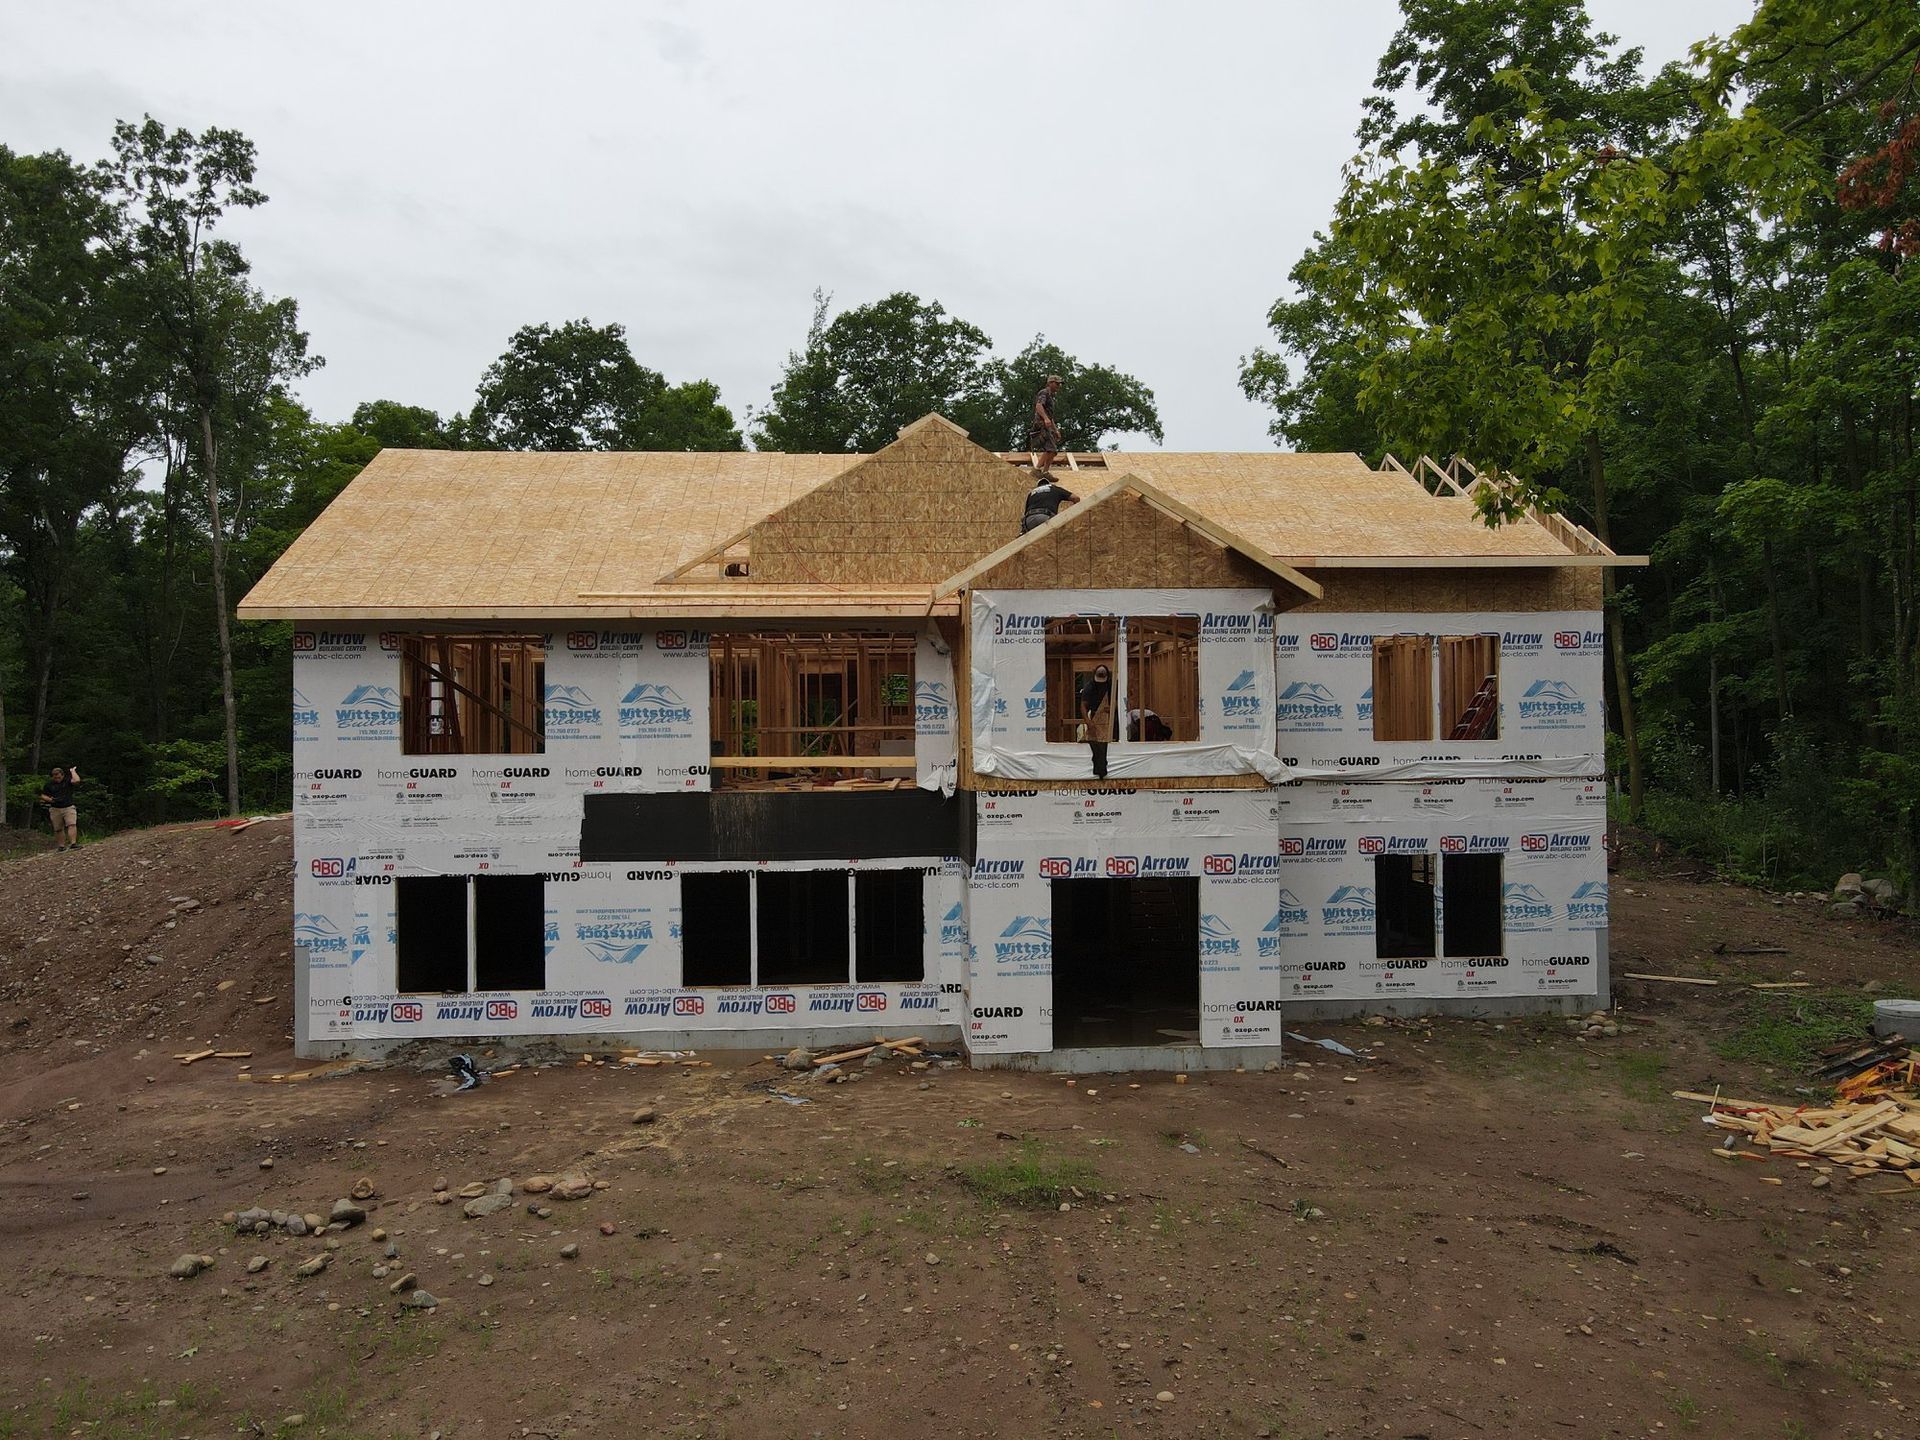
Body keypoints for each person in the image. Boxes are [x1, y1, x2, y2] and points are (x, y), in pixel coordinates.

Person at [1080, 664, 1114, 779]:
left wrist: (1113, 707)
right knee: (1095, 741)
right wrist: (1088, 721)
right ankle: (1099, 768)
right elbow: (1083, 706)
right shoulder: (1090, 687)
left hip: (1111, 719)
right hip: (1095, 717)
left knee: (1107, 742)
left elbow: (1123, 701)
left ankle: (1102, 768)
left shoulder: (1112, 686)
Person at [39, 765, 81, 851]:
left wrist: (73, 771)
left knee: (71, 824)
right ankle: (61, 846)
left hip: (68, 807)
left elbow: (77, 780)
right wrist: (49, 800)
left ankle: (73, 843)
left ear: (62, 775)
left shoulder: (67, 781)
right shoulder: (49, 784)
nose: (56, 779)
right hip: (55, 808)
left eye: (58, 777)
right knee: (58, 828)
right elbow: (43, 795)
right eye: (55, 777)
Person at [1029, 374, 1064, 472]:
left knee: (1051, 450)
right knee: (1051, 449)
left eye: (1059, 384)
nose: (1058, 386)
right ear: (1050, 383)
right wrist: (1045, 419)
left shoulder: (1051, 397)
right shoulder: (1044, 392)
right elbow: (1039, 406)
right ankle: (1038, 470)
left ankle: (1044, 472)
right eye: (1057, 384)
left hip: (1047, 424)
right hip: (1042, 424)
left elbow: (1050, 416)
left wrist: (1055, 430)